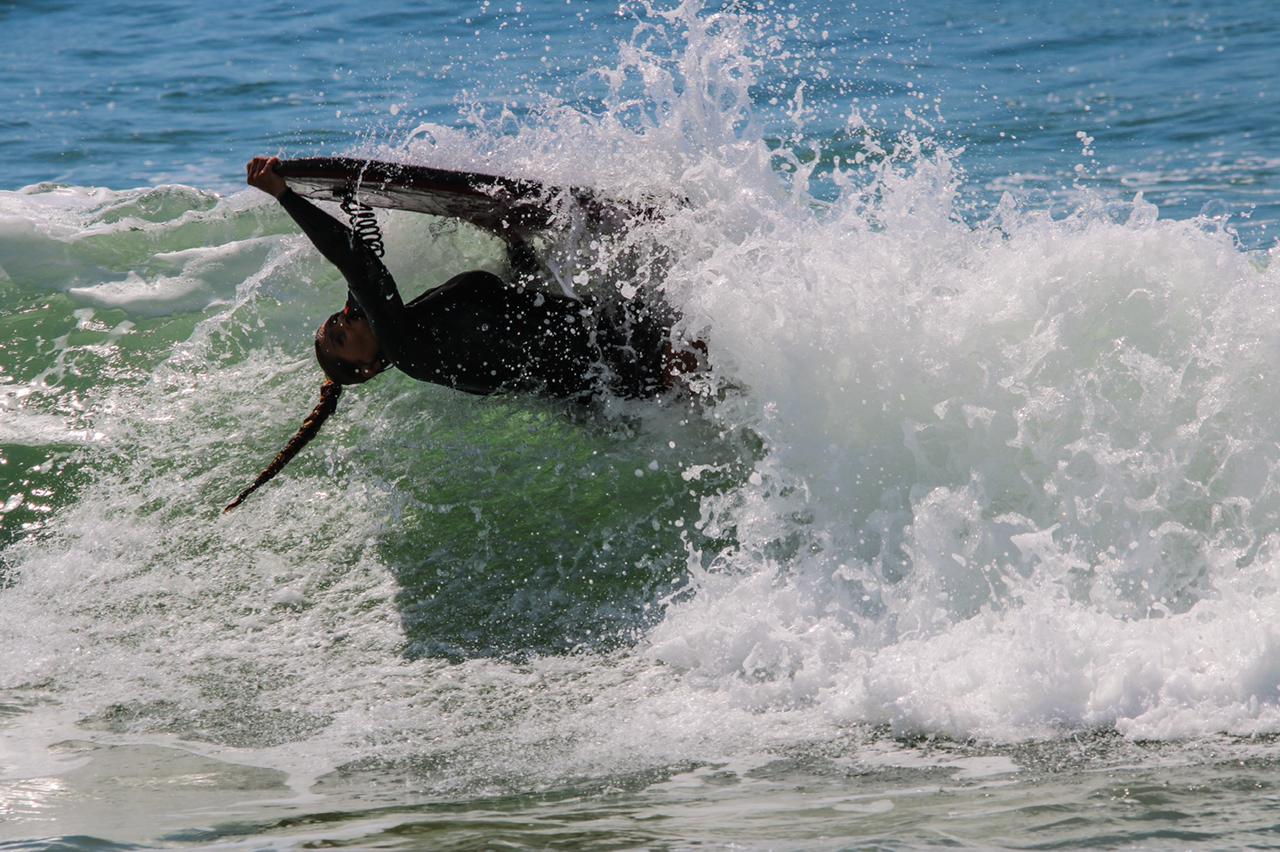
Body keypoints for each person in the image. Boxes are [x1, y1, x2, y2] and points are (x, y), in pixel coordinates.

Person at [225, 156, 699, 511]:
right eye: (343, 336)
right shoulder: (406, 346)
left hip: (609, 352)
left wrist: (514, 240)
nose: (347, 320)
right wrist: (285, 196)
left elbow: (514, 307)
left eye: (340, 319)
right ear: (369, 369)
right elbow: (359, 266)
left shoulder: (417, 328)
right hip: (625, 365)